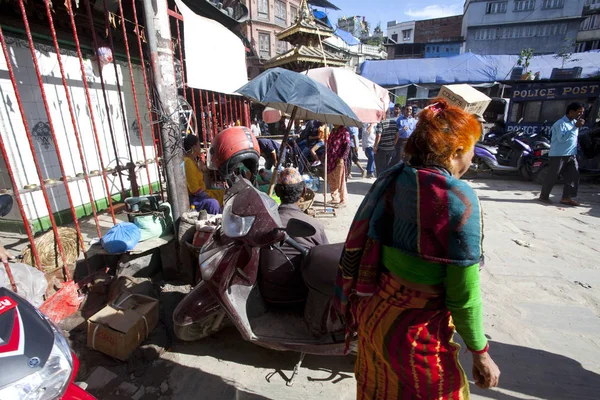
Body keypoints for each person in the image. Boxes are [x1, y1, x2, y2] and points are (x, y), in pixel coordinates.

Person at [335, 98, 500, 399]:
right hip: (414, 336)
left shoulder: (396, 177)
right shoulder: (458, 199)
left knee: (379, 391)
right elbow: (463, 296)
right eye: (471, 154)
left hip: (375, 317)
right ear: (456, 152)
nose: (471, 162)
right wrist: (480, 351)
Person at [260, 168, 329, 304]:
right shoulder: (314, 225)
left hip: (268, 295)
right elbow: (325, 259)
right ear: (303, 192)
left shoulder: (264, 223)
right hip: (302, 295)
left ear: (277, 192)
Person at [539, 102, 585, 206]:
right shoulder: (560, 123)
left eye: (582, 112)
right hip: (558, 154)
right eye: (579, 112)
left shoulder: (574, 123)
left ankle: (566, 197)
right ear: (571, 112)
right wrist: (575, 128)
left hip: (571, 154)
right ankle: (544, 196)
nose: (580, 115)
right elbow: (561, 139)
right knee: (552, 176)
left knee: (574, 175)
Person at [183, 134, 223, 214]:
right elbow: (194, 189)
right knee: (213, 203)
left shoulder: (193, 161)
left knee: (224, 193)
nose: (200, 148)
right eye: (198, 145)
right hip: (194, 199)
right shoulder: (188, 162)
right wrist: (208, 196)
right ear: (194, 147)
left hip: (200, 195)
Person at [326, 125, 351, 207]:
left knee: (340, 180)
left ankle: (343, 200)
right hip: (330, 159)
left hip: (339, 160)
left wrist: (342, 158)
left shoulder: (344, 132)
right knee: (332, 179)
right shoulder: (333, 131)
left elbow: (347, 146)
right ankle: (335, 198)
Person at [373, 106, 400, 176]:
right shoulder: (394, 122)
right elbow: (397, 135)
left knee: (380, 168)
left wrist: (375, 147)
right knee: (386, 167)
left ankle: (380, 182)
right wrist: (393, 144)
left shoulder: (381, 123)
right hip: (390, 149)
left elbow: (378, 135)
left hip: (382, 149)